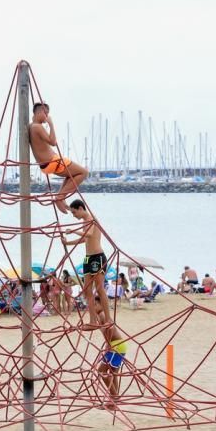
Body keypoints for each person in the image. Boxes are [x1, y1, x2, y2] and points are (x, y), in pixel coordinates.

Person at [29, 103, 88, 213]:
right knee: (84, 172)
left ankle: (60, 197)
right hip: (52, 162)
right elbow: (53, 142)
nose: (47, 116)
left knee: (71, 176)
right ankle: (60, 197)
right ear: (38, 112)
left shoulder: (32, 126)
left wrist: (37, 118)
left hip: (49, 164)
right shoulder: (37, 127)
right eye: (45, 113)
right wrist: (51, 124)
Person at [63, 199, 111, 329]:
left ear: (80, 208)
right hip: (88, 258)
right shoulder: (85, 221)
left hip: (97, 257)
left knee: (99, 288)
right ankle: (92, 321)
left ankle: (108, 319)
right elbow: (84, 239)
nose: (74, 216)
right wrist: (67, 243)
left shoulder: (90, 219)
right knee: (86, 290)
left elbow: (89, 234)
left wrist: (73, 231)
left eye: (74, 213)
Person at [95, 296, 128, 407]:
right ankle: (114, 401)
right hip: (118, 345)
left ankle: (114, 398)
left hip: (116, 346)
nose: (93, 307)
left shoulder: (103, 314)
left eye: (95, 305)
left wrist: (108, 344)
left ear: (101, 303)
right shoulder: (100, 315)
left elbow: (110, 328)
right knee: (113, 373)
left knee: (101, 371)